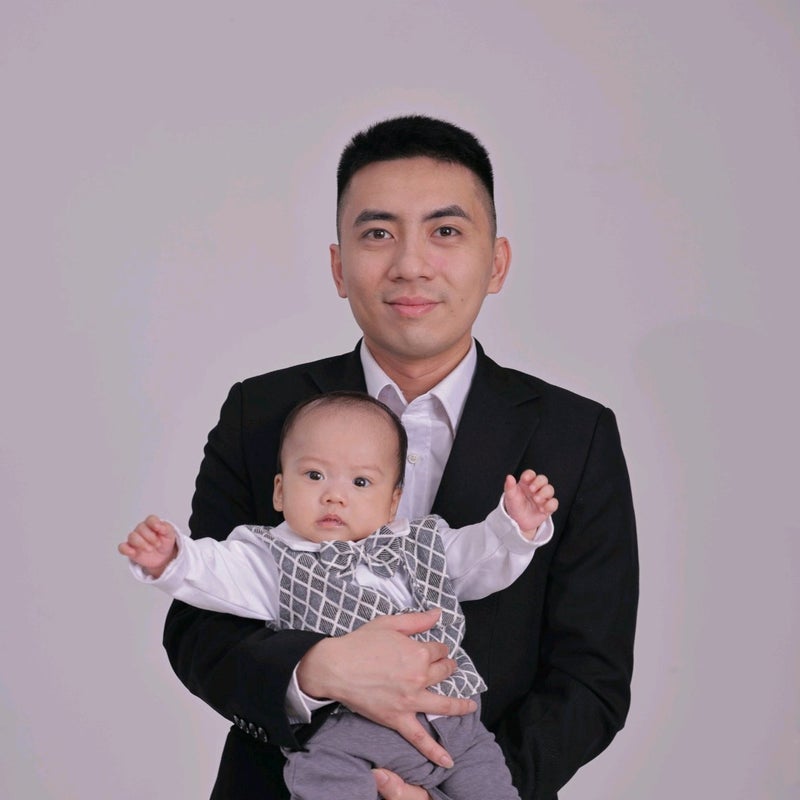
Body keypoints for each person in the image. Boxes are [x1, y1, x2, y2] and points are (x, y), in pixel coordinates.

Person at [162, 115, 638, 800]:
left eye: (445, 231)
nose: (411, 265)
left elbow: (591, 680)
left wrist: (456, 791)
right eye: (378, 233)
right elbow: (198, 631)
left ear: (496, 263)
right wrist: (316, 670)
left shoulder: (575, 434)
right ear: (339, 266)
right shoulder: (259, 411)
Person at [121, 391, 559, 800]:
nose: (334, 496)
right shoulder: (270, 556)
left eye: (361, 482)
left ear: (394, 502)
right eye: (314, 476)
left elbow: (480, 558)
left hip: (457, 725)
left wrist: (513, 525)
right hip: (351, 732)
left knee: (493, 788)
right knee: (324, 770)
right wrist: (173, 557)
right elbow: (215, 571)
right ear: (280, 491)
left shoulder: (422, 542)